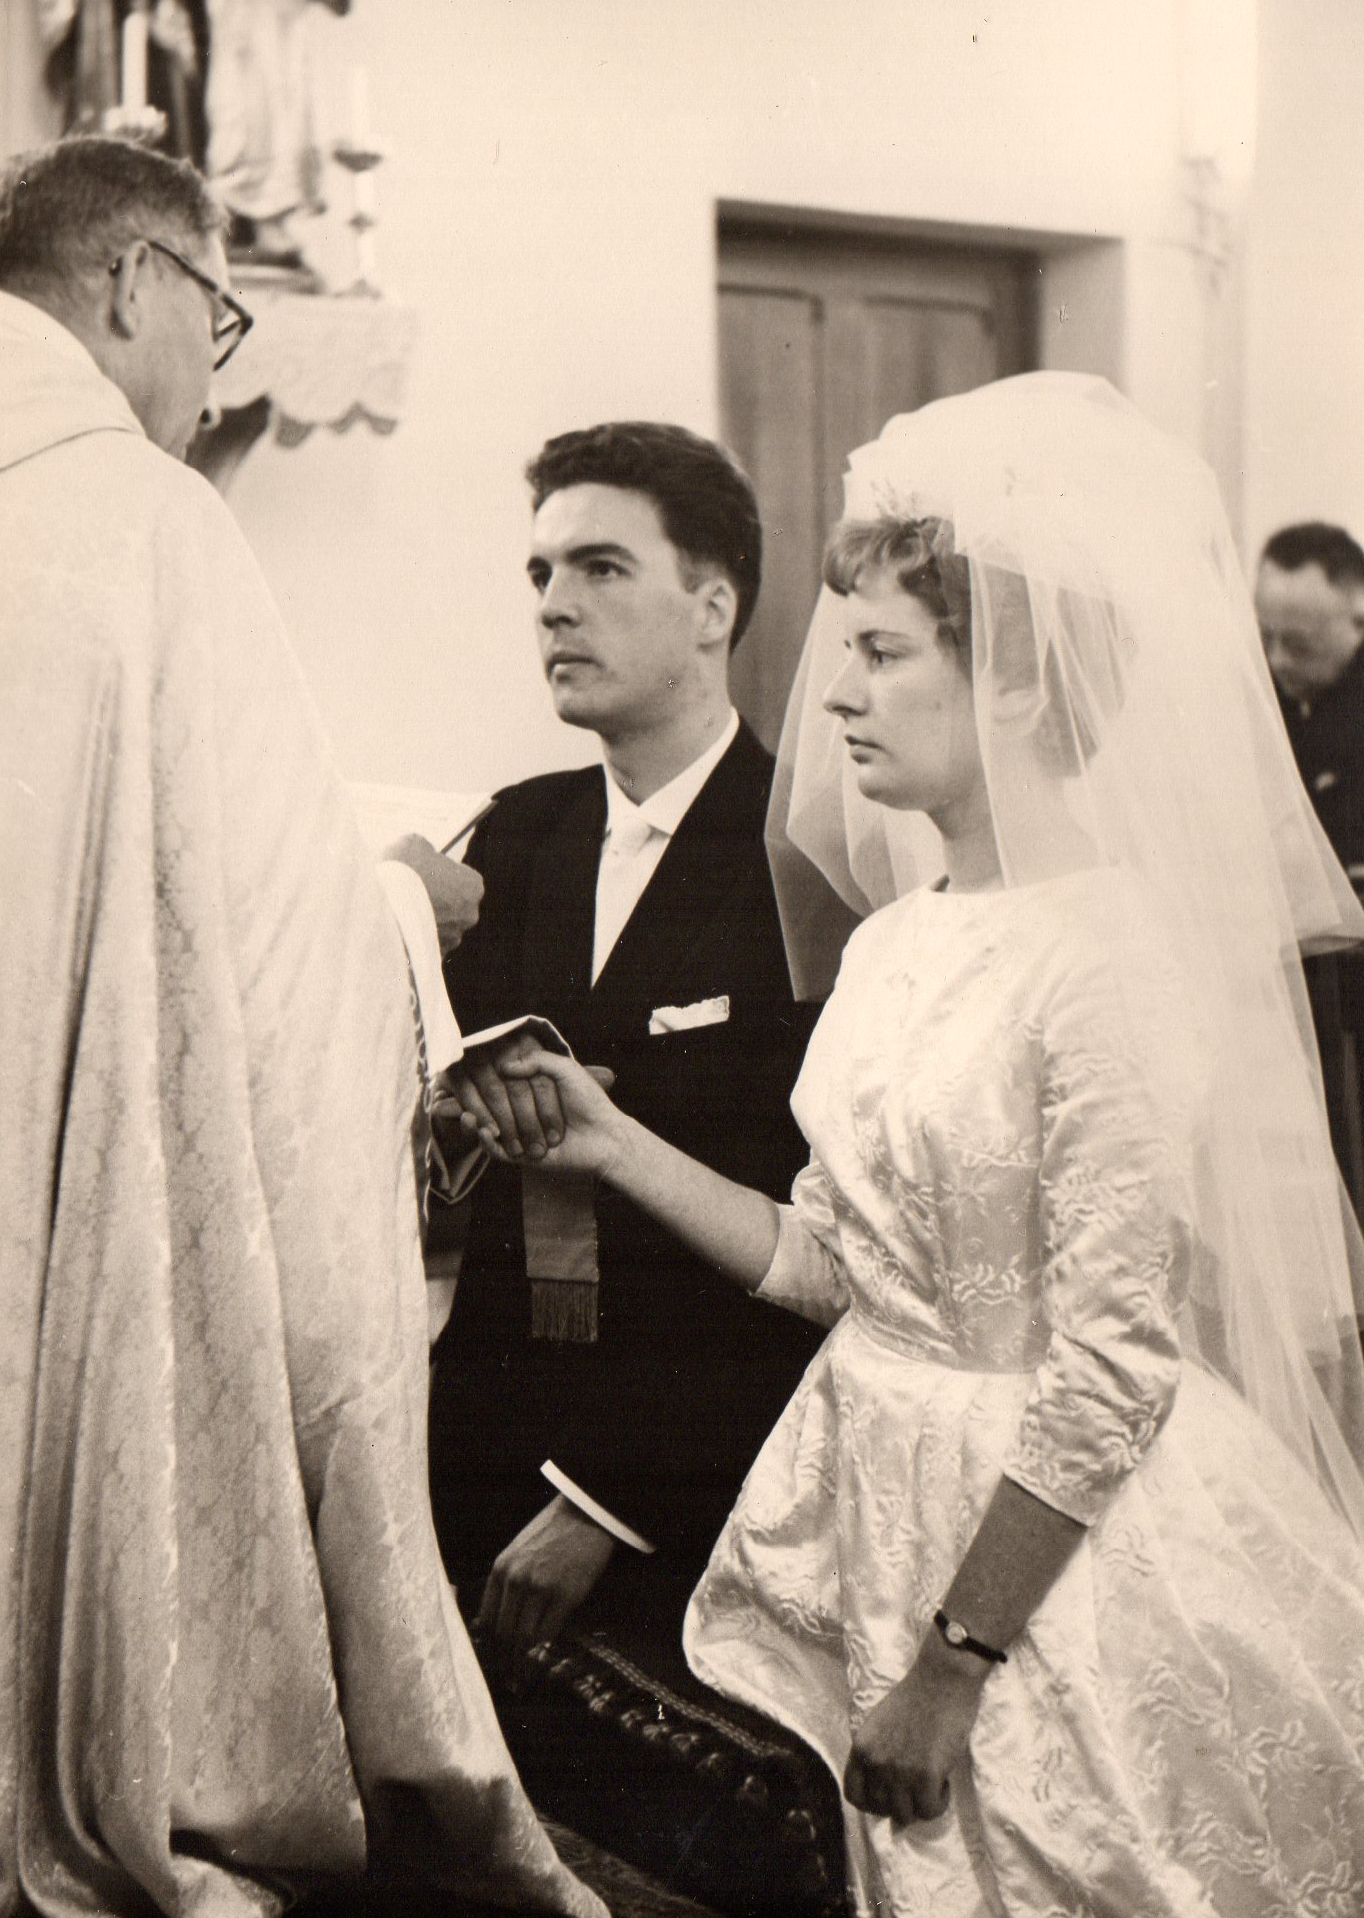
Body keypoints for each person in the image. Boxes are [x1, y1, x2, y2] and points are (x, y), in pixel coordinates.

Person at [450, 376, 1364, 1916]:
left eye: (880, 654)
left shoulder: (1107, 959)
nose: (837, 696)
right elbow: (832, 1264)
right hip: (873, 1505)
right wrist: (607, 1140)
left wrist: (952, 1665)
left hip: (1041, 1562)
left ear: (1009, 681)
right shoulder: (891, 941)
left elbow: (1111, 1366)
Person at [0, 136, 601, 1918]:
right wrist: (400, 903)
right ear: (133, 282)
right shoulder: (142, 514)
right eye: (220, 318)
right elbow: (257, 942)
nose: (210, 377)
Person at [429, 422, 820, 1678]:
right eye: (541, 573)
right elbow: (442, 1134)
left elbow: (822, 1233)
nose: (554, 606)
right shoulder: (510, 834)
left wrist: (611, 1500)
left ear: (713, 608)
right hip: (476, 1442)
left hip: (690, 1482)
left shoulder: (803, 861)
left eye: (601, 568)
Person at [1255, 520, 1364, 895]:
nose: (1277, 660)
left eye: (1299, 645)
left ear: (1359, 621)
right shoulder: (1265, 698)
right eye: (1266, 638)